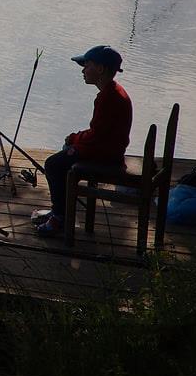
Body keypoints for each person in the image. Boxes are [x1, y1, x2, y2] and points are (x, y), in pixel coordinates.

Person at [34, 45, 133, 236]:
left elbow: (96, 136)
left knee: (53, 164)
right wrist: (76, 140)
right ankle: (60, 211)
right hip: (108, 149)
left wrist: (74, 139)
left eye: (87, 66)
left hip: (106, 155)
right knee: (64, 156)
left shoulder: (109, 97)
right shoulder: (112, 92)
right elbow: (99, 131)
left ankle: (60, 218)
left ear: (100, 69)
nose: (83, 70)